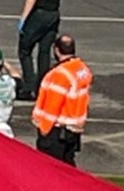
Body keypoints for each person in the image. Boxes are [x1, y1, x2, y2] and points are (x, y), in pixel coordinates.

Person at [32, 35, 92, 166]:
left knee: (50, 169)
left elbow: (53, 105)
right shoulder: (81, 68)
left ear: (56, 50)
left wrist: (44, 129)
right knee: (68, 167)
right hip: (72, 129)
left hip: (56, 130)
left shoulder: (60, 74)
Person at [17, 0, 68, 94]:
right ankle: (43, 86)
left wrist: (23, 18)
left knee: (25, 49)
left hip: (39, 14)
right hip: (54, 13)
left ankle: (29, 85)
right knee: (44, 51)